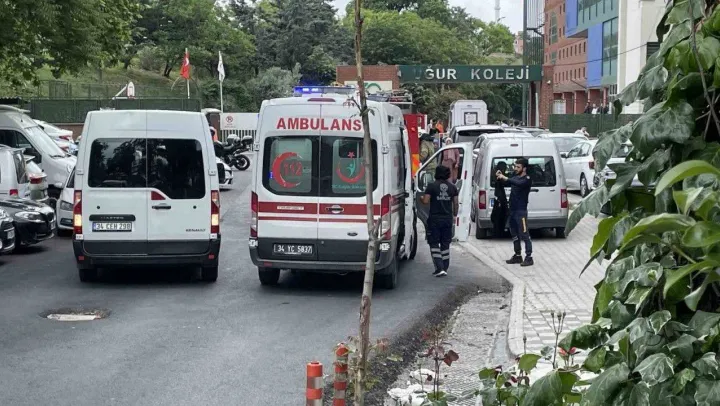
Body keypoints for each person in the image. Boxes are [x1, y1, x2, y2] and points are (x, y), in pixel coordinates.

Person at [421, 165, 458, 277]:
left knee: (434, 242)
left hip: (435, 220)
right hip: (447, 219)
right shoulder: (453, 187)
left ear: (436, 174)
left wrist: (421, 198)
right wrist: (455, 215)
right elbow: (456, 203)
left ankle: (439, 267)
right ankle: (444, 268)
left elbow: (426, 201)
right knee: (445, 243)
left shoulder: (431, 186)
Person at [496, 158, 533, 267]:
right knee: (514, 234)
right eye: (515, 166)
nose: (515, 169)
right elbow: (508, 182)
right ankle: (517, 255)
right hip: (512, 211)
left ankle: (529, 257)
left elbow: (517, 183)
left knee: (524, 234)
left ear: (524, 168)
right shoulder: (515, 177)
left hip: (521, 211)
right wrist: (500, 176)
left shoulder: (527, 179)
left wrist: (505, 177)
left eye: (518, 167)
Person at [491, 161, 509, 237]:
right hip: (500, 199)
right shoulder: (497, 175)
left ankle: (499, 231)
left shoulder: (498, 174)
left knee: (501, 215)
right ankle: (498, 232)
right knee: (499, 216)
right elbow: (503, 183)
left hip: (500, 198)